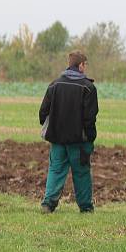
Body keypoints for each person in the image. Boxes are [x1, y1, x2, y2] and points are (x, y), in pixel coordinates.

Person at [39, 50, 99, 213]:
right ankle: (86, 208)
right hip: (79, 141)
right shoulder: (88, 88)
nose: (85, 68)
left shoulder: (54, 84)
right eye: (85, 65)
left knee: (56, 170)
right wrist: (91, 138)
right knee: (81, 174)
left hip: (57, 139)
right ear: (80, 65)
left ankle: (48, 204)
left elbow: (43, 111)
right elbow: (90, 118)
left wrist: (50, 127)